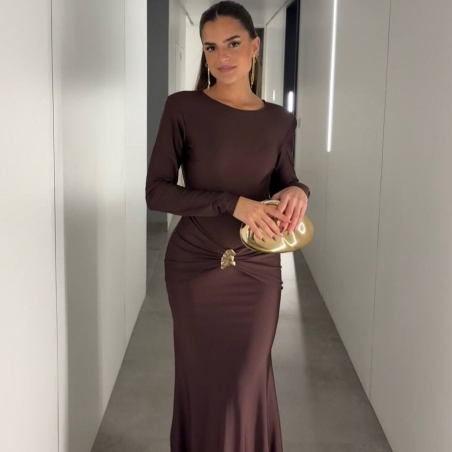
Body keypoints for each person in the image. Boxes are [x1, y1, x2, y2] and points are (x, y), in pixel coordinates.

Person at [145, 1, 310, 450]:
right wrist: (230, 202)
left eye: (233, 44)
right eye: (211, 47)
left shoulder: (280, 120)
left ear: (254, 46)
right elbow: (157, 192)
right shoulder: (182, 108)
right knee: (202, 382)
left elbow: (285, 180)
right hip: (194, 265)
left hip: (257, 269)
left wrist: (299, 190)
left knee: (245, 381)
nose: (222, 57)